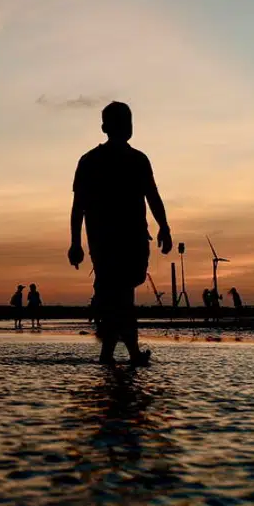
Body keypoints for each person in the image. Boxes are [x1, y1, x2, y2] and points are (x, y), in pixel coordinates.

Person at [68, 101, 172, 366]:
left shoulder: (137, 160)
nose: (127, 127)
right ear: (105, 127)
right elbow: (79, 205)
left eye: (128, 121)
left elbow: (152, 196)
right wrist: (75, 243)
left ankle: (111, 355)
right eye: (121, 122)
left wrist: (164, 226)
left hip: (131, 239)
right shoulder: (91, 162)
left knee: (119, 295)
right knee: (122, 294)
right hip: (108, 241)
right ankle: (128, 354)